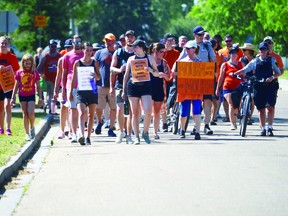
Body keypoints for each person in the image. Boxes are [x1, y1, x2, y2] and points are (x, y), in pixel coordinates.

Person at [234, 42, 281, 136]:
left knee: (270, 107)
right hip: (258, 86)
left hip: (270, 86)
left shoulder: (272, 60)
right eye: (261, 49)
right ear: (259, 51)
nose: (262, 51)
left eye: (264, 49)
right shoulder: (255, 61)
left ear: (267, 51)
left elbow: (278, 72)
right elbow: (245, 69)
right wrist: (235, 73)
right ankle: (263, 128)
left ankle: (270, 127)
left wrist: (272, 77)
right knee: (261, 108)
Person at [122, 39, 159, 144]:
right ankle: (136, 136)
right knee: (135, 113)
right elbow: (126, 75)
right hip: (133, 86)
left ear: (142, 48)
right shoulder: (131, 59)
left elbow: (157, 73)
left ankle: (145, 132)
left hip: (146, 85)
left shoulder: (150, 58)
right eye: (133, 47)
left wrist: (150, 70)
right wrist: (124, 90)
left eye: (136, 47)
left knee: (148, 111)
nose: (133, 49)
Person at [70, 42, 100, 145]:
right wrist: (70, 92)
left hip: (92, 90)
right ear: (83, 50)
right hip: (81, 90)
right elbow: (74, 79)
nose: (89, 52)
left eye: (91, 50)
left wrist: (95, 74)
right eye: (87, 50)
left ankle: (88, 137)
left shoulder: (94, 62)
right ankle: (81, 135)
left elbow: (99, 77)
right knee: (82, 113)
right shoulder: (78, 63)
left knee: (91, 115)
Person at [172, 40, 203, 140]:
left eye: (189, 48)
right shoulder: (182, 62)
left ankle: (197, 132)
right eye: (186, 48)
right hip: (184, 90)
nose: (187, 50)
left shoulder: (200, 62)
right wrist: (177, 73)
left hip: (196, 90)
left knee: (196, 111)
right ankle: (182, 130)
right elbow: (173, 73)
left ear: (194, 49)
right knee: (184, 112)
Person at [110, 30, 136, 144]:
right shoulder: (119, 52)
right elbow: (111, 68)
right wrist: (119, 69)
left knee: (130, 111)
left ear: (134, 38)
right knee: (120, 109)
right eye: (127, 37)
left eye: (131, 37)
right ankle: (121, 132)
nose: (129, 39)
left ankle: (129, 134)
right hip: (120, 84)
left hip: (134, 85)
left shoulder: (136, 53)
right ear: (124, 39)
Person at [10, 54, 43, 140]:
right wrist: (13, 98)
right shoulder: (19, 73)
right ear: (23, 63)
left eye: (29, 63)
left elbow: (39, 87)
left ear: (32, 64)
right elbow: (16, 86)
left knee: (31, 112)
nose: (28, 65)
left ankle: (32, 127)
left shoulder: (35, 72)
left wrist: (40, 98)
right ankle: (27, 133)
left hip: (31, 95)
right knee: (25, 114)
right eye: (26, 63)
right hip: (22, 95)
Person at [191, 26, 216, 136]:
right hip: (193, 76)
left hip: (206, 76)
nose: (201, 36)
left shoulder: (207, 45)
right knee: (195, 101)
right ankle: (195, 126)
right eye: (199, 34)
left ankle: (206, 125)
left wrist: (214, 69)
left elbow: (214, 58)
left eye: (202, 34)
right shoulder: (190, 45)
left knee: (207, 101)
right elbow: (181, 59)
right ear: (194, 35)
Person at [94, 33, 117, 137]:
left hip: (114, 85)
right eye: (106, 40)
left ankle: (111, 128)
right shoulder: (99, 53)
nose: (108, 42)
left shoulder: (117, 53)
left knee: (113, 108)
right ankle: (100, 122)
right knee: (98, 107)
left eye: (110, 40)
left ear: (114, 41)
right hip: (101, 84)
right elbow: (94, 67)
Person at [62, 35, 84, 142]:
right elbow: (64, 74)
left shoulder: (85, 55)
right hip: (71, 86)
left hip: (84, 86)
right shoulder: (67, 56)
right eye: (75, 42)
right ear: (72, 43)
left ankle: (80, 131)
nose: (77, 45)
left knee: (82, 111)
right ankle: (73, 133)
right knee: (73, 110)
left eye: (79, 42)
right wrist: (63, 90)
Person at [215, 47, 243, 130]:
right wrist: (217, 88)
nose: (234, 55)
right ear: (229, 54)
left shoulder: (241, 64)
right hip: (227, 87)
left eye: (235, 53)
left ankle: (236, 119)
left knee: (236, 106)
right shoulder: (225, 64)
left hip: (238, 87)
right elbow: (221, 77)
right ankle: (232, 124)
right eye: (232, 53)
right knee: (231, 104)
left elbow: (244, 74)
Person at [149, 42, 170, 139]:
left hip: (159, 88)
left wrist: (164, 75)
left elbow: (169, 77)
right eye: (161, 52)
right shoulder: (148, 60)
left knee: (157, 112)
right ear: (155, 51)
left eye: (164, 52)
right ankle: (145, 130)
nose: (163, 54)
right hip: (147, 88)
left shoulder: (164, 62)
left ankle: (155, 132)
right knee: (148, 110)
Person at [0, 36, 20, 135]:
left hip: (9, 85)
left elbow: (17, 72)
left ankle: (8, 128)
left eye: (5, 43)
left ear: (8, 45)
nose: (3, 45)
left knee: (7, 105)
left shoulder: (12, 57)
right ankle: (1, 128)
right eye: (1, 43)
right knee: (0, 108)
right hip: (0, 86)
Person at [37, 39, 62, 114]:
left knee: (56, 95)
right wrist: (41, 74)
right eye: (52, 46)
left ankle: (50, 107)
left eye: (55, 46)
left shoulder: (60, 56)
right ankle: (51, 110)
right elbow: (39, 68)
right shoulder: (46, 57)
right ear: (49, 46)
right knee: (50, 94)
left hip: (58, 79)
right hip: (48, 79)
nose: (53, 48)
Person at [163, 33, 180, 132]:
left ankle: (171, 120)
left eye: (172, 40)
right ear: (164, 41)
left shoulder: (177, 53)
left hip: (173, 80)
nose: (170, 42)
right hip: (163, 80)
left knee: (172, 100)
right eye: (169, 40)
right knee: (163, 101)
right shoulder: (161, 52)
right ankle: (164, 122)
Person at [239, 43, 256, 125]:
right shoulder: (242, 59)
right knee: (242, 98)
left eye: (244, 50)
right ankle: (241, 114)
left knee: (252, 100)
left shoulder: (256, 59)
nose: (243, 51)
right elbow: (242, 70)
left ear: (250, 51)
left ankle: (249, 117)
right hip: (244, 80)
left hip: (254, 80)